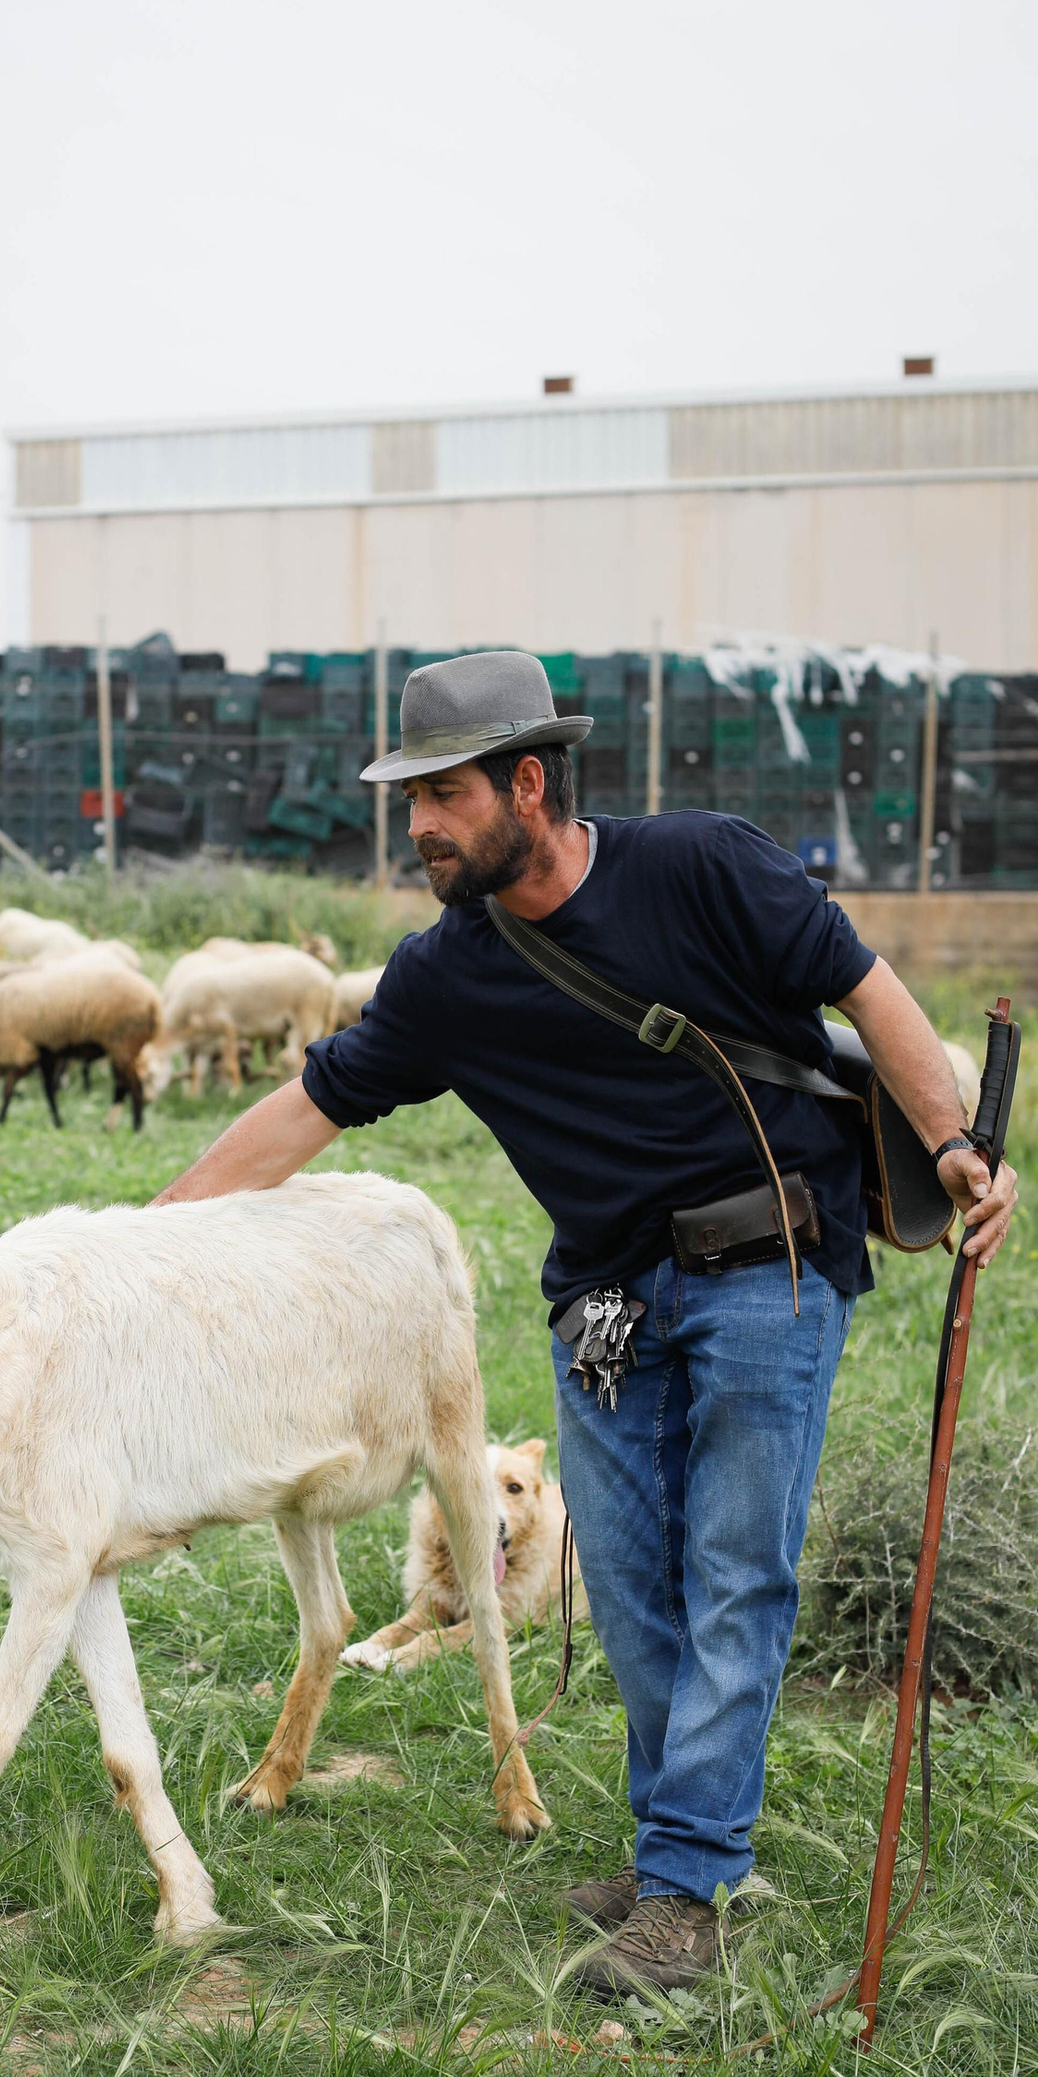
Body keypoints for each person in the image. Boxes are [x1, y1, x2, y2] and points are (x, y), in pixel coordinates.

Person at [153, 649, 1018, 1999]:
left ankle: (681, 1888)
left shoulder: (704, 867)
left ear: (530, 783)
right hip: (604, 1307)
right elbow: (306, 1109)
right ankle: (688, 1845)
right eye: (410, 798)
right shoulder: (447, 975)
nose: (420, 825)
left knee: (736, 1573)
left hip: (767, 1267)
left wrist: (953, 1143)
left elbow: (869, 989)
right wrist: (135, 1245)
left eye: (443, 795)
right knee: (626, 1585)